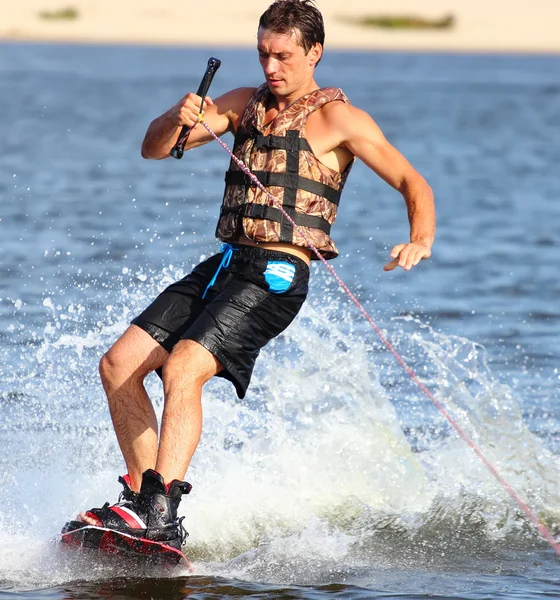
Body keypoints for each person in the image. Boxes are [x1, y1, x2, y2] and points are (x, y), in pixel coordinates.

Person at [66, 0, 435, 551]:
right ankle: (145, 504)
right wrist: (178, 115)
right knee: (119, 364)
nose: (270, 67)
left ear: (314, 52)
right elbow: (154, 149)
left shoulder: (340, 120)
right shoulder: (241, 104)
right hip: (228, 264)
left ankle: (162, 507)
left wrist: (419, 239)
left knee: (184, 365)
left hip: (280, 272)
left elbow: (413, 183)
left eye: (282, 56)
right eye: (263, 53)